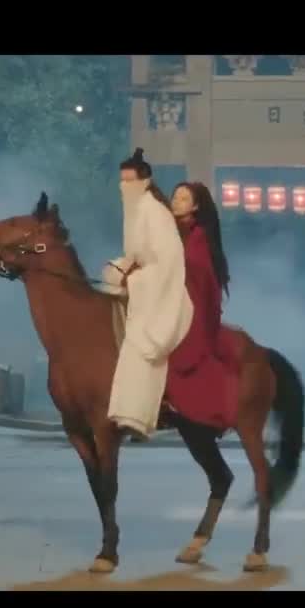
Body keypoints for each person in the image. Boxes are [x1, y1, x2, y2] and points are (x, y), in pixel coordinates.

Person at [103, 149, 193, 440]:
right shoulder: (135, 210)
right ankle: (123, 412)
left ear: (144, 182)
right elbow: (135, 255)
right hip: (143, 287)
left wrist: (135, 280)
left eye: (130, 182)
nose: (125, 188)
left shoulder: (155, 212)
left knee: (141, 344)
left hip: (160, 292)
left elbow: (168, 263)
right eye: (122, 182)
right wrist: (118, 270)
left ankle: (139, 416)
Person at [162, 182, 238, 432]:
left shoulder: (197, 237)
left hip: (193, 307)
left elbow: (196, 275)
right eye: (175, 197)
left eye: (184, 199)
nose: (176, 202)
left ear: (195, 206)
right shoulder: (174, 231)